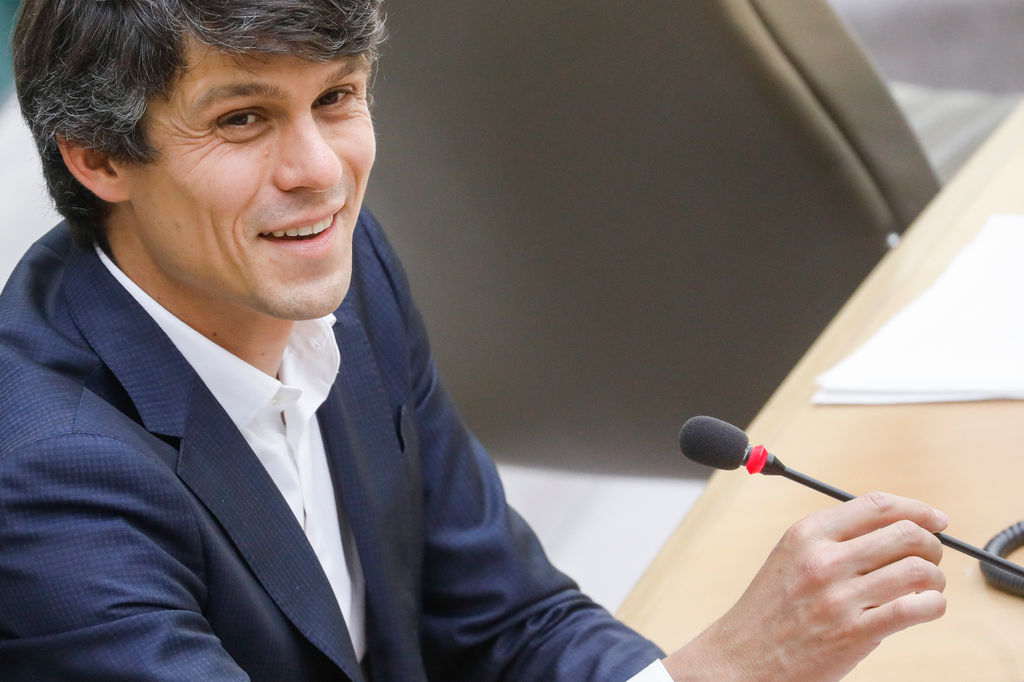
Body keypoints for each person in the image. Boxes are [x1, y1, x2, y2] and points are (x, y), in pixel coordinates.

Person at [0, 1, 948, 680]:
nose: (321, 173)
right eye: (243, 119)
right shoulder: (47, 479)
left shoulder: (333, 265)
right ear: (100, 158)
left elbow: (507, 622)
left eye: (337, 98)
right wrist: (725, 671)